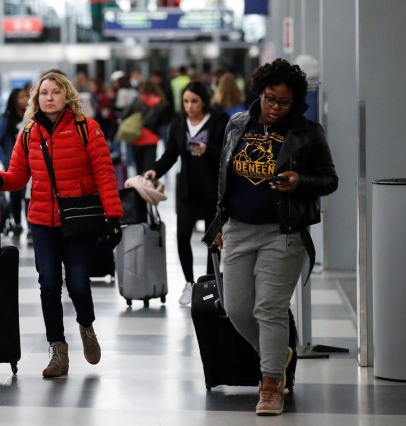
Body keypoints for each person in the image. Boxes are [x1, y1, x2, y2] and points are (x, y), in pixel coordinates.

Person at [208, 58, 338, 415]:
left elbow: (330, 180)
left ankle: (271, 385)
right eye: (270, 99)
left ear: (295, 102)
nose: (276, 108)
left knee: (269, 309)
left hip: (283, 231)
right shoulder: (237, 125)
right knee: (235, 308)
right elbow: (224, 179)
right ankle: (279, 355)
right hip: (237, 229)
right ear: (260, 93)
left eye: (284, 102)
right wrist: (219, 224)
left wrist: (300, 183)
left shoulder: (307, 132)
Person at [0, 71, 123, 378]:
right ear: (36, 98)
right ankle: (58, 350)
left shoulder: (88, 129)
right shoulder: (29, 133)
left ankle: (86, 325)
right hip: (42, 220)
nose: (49, 97)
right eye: (43, 92)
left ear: (66, 96)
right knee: (48, 285)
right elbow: (19, 176)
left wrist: (113, 215)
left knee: (78, 284)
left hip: (78, 219)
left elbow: (104, 174)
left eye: (55, 92)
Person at [144, 81, 228, 305]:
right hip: (188, 188)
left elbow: (228, 154)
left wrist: (207, 150)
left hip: (213, 189)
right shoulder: (179, 123)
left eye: (195, 101)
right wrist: (155, 170)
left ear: (204, 101)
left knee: (213, 240)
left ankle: (211, 283)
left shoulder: (219, 121)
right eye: (186, 101)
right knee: (182, 236)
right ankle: (189, 283)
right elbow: (171, 153)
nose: (190, 106)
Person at [0, 87, 29, 239]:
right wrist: (5, 158)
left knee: (28, 195)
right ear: (14, 100)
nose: (25, 100)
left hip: (30, 163)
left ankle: (30, 226)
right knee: (15, 195)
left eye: (26, 97)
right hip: (13, 163)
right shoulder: (6, 118)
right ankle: (17, 223)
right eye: (21, 97)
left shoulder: (31, 117)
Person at [119, 80, 169, 175]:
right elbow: (163, 122)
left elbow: (124, 115)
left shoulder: (137, 100)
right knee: (149, 169)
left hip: (136, 137)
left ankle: (139, 188)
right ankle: (148, 187)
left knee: (139, 167)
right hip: (152, 139)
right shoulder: (160, 102)